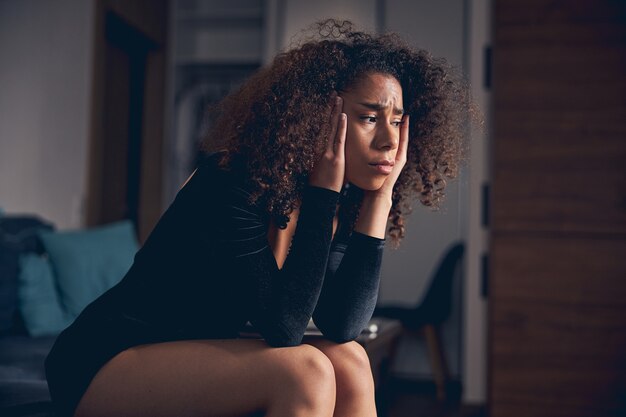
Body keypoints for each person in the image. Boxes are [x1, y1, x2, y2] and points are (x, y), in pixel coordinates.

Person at [45, 19, 470, 417]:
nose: (390, 139)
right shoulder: (233, 180)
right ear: (320, 117)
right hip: (108, 358)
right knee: (305, 369)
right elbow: (284, 327)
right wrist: (324, 194)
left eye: (397, 120)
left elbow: (343, 324)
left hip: (191, 349)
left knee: (350, 357)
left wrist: (381, 198)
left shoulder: (339, 198)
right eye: (370, 117)